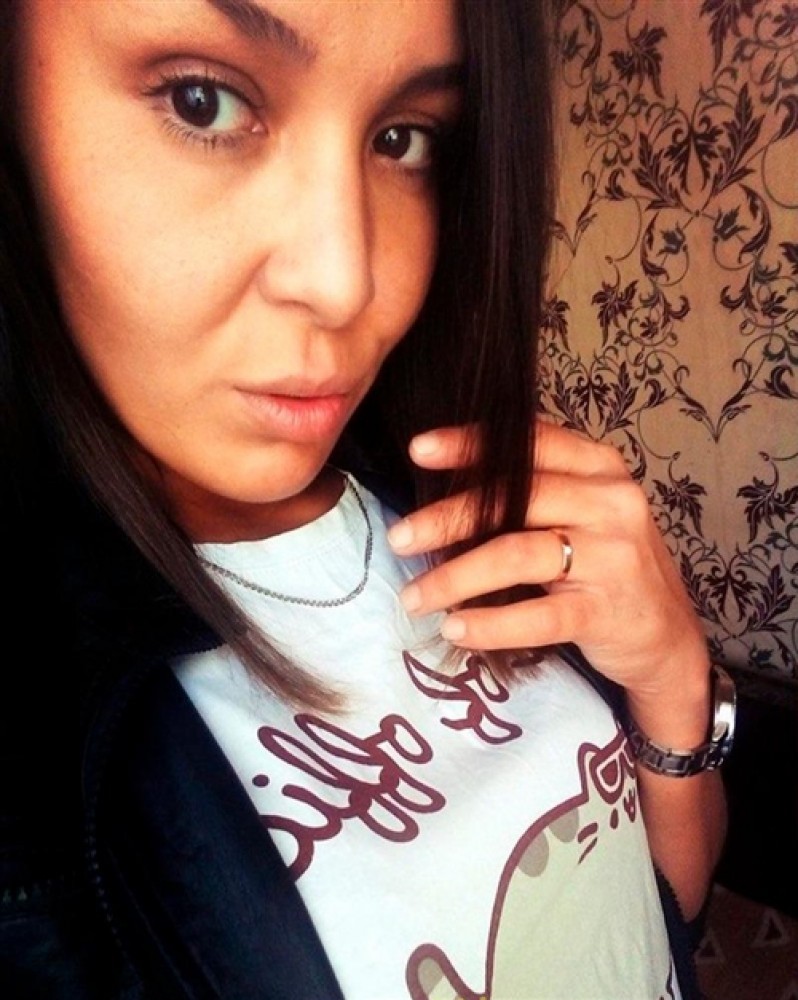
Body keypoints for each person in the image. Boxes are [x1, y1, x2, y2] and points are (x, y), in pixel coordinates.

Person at [0, 1, 733, 997]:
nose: (349, 283)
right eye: (204, 102)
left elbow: (658, 914)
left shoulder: (447, 488)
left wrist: (674, 688)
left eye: (401, 138)